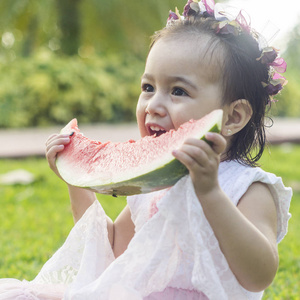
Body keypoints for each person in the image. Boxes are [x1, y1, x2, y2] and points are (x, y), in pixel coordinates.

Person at [0, 0, 292, 299]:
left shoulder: (248, 187)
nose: (153, 105)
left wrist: (210, 193)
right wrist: (76, 180)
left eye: (178, 91)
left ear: (233, 117)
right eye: (148, 87)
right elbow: (112, 248)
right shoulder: (156, 185)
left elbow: (259, 275)